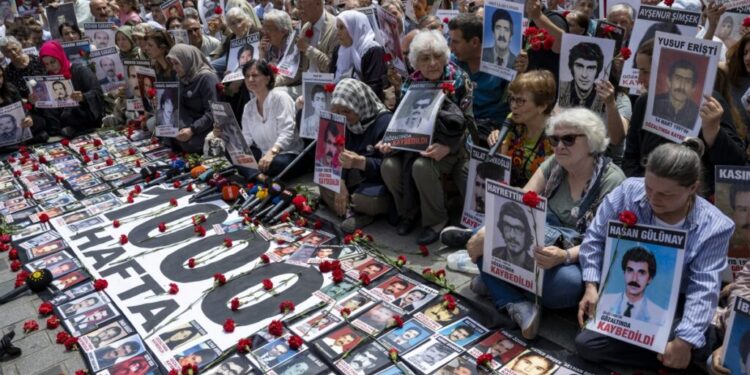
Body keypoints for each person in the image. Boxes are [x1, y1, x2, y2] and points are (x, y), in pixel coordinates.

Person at [466, 108, 625, 339]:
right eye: (555, 139)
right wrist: (488, 231)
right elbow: (519, 200)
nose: (559, 146)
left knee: (569, 286)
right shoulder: (555, 163)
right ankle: (514, 301)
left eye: (568, 139)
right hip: (537, 242)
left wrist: (564, 256)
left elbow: (605, 242)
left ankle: (497, 280)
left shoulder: (613, 180)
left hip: (574, 253)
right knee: (481, 233)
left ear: (592, 141)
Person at [576, 140, 735, 370]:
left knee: (688, 341)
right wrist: (592, 285)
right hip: (623, 295)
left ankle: (678, 350)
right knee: (587, 345)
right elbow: (595, 238)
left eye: (666, 194)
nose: (653, 198)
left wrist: (684, 341)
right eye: (649, 187)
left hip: (678, 301)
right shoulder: (630, 190)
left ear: (692, 188)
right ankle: (669, 356)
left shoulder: (715, 226)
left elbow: (703, 287)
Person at [380, 30, 472, 244]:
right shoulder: (410, 83)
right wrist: (389, 141)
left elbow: (469, 122)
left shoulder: (459, 79)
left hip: (453, 145)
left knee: (422, 166)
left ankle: (436, 221)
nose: (432, 63)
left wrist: (448, 147)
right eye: (425, 58)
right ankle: (408, 213)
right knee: (389, 166)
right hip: (414, 142)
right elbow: (402, 120)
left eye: (437, 56)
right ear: (415, 62)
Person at [623, 39, 746, 196]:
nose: (640, 79)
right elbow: (631, 157)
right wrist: (646, 189)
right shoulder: (644, 103)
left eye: (646, 72)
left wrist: (713, 131)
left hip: (694, 200)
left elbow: (735, 164)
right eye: (638, 70)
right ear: (669, 78)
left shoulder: (709, 105)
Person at [316, 79, 392, 232]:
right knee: (324, 180)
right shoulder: (342, 122)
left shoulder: (385, 122)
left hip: (376, 181)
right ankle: (352, 213)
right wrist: (340, 183)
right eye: (336, 111)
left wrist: (361, 162)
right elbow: (334, 157)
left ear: (359, 104)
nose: (342, 116)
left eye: (347, 111)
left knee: (365, 201)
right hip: (352, 178)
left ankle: (353, 211)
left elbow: (390, 169)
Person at [223, 58, 305, 178]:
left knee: (276, 164)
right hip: (263, 154)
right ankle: (259, 176)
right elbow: (246, 138)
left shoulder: (281, 98)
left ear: (267, 78)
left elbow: (287, 132)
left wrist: (272, 153)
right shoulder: (248, 107)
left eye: (255, 75)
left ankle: (252, 173)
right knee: (232, 151)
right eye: (247, 76)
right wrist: (228, 138)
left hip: (286, 153)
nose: (250, 79)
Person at [448, 13, 511, 146]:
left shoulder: (503, 64)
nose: (451, 47)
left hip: (492, 131)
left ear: (475, 42)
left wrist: (521, 70)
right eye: (450, 41)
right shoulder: (451, 63)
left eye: (456, 42)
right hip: (459, 126)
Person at [488, 70, 556, 187]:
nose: (513, 106)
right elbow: (503, 168)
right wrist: (498, 145)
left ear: (542, 106)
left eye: (520, 101)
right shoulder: (512, 121)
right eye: (512, 99)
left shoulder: (556, 135)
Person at [35, 40, 104, 138]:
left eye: (53, 62)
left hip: (82, 117)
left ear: (60, 56)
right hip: (58, 121)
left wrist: (83, 97)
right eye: (46, 64)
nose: (50, 67)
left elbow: (97, 92)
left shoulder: (80, 71)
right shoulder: (48, 77)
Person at [167, 44, 220, 153]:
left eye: (177, 63)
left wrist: (192, 130)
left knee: (190, 144)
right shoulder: (181, 77)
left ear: (187, 60)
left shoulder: (207, 78)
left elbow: (212, 112)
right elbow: (178, 104)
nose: (174, 68)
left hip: (206, 126)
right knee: (166, 134)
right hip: (188, 122)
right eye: (172, 64)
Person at [598, 246, 667, 325]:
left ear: (650, 279)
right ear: (624, 273)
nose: (634, 279)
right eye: (630, 270)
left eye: (641, 273)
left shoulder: (659, 316)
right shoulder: (604, 301)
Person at [330, 10, 387, 100]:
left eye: (342, 28)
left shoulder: (373, 50)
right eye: (337, 28)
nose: (338, 33)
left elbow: (374, 88)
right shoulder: (339, 50)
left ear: (354, 28)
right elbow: (331, 77)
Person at [652, 59, 701, 129]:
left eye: (687, 81)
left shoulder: (697, 113)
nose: (682, 86)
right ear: (669, 81)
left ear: (693, 88)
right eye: (678, 78)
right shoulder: (653, 103)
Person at [557, 42, 605, 112]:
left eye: (591, 68)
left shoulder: (603, 95)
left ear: (597, 71)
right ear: (572, 67)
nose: (584, 75)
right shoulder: (561, 87)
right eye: (579, 66)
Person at [490, 201, 535, 272]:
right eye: (507, 226)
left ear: (527, 234)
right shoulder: (494, 254)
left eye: (518, 229)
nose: (512, 235)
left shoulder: (534, 267)